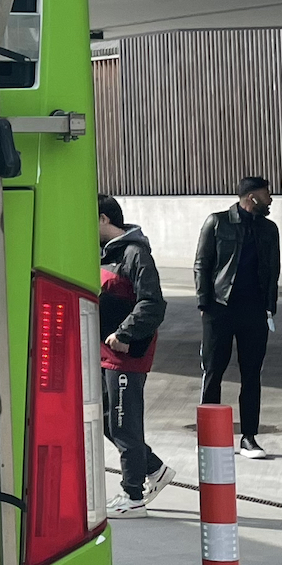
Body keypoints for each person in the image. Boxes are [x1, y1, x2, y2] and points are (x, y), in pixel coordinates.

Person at [193, 175, 279, 457]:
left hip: (254, 311)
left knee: (252, 375)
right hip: (220, 308)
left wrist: (270, 307)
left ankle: (249, 438)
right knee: (213, 372)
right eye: (267, 194)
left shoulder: (269, 229)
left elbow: (273, 271)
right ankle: (210, 437)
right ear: (252, 197)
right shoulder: (217, 222)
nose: (271, 199)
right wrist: (205, 304)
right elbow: (202, 265)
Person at [96, 195, 169, 514]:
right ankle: (153, 469)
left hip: (126, 354)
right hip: (104, 352)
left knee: (124, 422)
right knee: (104, 419)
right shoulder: (103, 254)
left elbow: (153, 303)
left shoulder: (135, 254)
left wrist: (125, 334)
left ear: (103, 219)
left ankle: (133, 495)